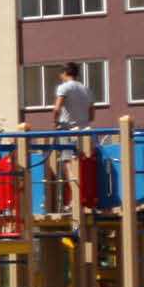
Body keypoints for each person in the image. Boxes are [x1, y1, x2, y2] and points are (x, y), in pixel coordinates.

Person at [53, 61, 96, 209]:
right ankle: (88, 197)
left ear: (65, 73)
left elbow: (57, 108)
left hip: (67, 128)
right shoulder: (86, 89)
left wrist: (55, 121)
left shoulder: (64, 87)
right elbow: (92, 114)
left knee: (67, 162)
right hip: (85, 130)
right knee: (85, 163)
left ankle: (75, 198)